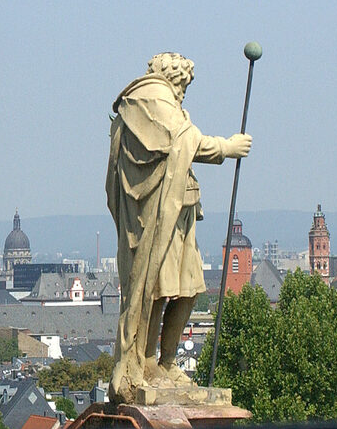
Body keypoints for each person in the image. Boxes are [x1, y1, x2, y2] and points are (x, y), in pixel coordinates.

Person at [106, 52, 251, 403]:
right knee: (157, 287)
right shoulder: (148, 99)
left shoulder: (162, 101)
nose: (183, 93)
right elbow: (185, 141)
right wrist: (227, 147)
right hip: (156, 219)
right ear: (171, 78)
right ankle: (148, 361)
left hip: (180, 213)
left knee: (188, 287)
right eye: (182, 85)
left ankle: (167, 361)